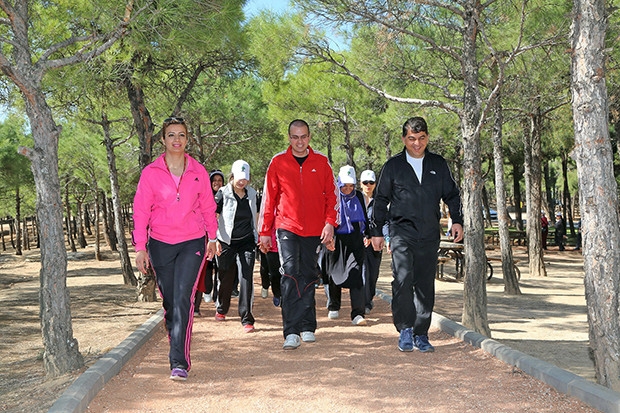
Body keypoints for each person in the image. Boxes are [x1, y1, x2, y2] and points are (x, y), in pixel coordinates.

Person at [132, 116, 218, 381]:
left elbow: (208, 206)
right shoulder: (150, 173)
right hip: (160, 244)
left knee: (183, 298)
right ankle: (175, 336)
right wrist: (140, 247)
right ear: (163, 139)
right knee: (170, 301)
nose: (176, 139)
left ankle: (178, 361)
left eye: (181, 134)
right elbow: (141, 211)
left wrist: (213, 237)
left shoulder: (198, 171)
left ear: (187, 139)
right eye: (171, 135)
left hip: (192, 241)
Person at [369, 116, 463, 353]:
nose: (417, 143)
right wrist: (376, 231)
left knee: (424, 284)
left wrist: (457, 220)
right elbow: (380, 199)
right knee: (402, 279)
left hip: (429, 233)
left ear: (427, 138)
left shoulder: (438, 164)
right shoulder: (393, 166)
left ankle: (421, 333)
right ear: (404, 139)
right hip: (401, 232)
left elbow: (452, 195)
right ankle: (405, 329)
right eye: (411, 138)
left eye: (421, 138)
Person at [258, 119, 339, 350]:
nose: (300, 141)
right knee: (291, 272)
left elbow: (332, 196)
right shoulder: (278, 162)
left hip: (314, 229)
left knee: (309, 274)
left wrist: (330, 224)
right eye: (295, 137)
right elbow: (269, 198)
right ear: (289, 138)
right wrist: (264, 231)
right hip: (287, 227)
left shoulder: (321, 162)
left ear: (309, 137)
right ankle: (291, 330)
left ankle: (307, 326)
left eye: (303, 136)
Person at [214, 160, 259, 333]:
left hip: (246, 241)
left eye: (245, 178)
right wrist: (214, 240)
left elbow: (256, 216)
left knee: (246, 277)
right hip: (226, 242)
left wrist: (259, 236)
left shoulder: (252, 194)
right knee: (226, 277)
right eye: (239, 178)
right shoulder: (222, 194)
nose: (242, 182)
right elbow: (213, 217)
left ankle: (247, 318)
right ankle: (222, 307)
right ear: (232, 176)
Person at [325, 165, 369, 326]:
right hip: (336, 238)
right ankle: (334, 305)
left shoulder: (358, 196)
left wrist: (367, 234)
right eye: (344, 186)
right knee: (334, 273)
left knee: (356, 273)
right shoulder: (332, 195)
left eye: (351, 186)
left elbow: (364, 217)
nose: (348, 189)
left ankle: (357, 313)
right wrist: (327, 237)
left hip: (355, 239)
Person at [194, 169, 225, 315]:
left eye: (220, 180)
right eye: (214, 180)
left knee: (220, 268)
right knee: (206, 267)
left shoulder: (227, 195)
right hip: (206, 237)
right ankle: (206, 291)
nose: (217, 183)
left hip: (223, 237)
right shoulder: (204, 196)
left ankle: (217, 297)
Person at [359, 169, 382, 315]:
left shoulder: (380, 201)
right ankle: (364, 303)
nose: (368, 185)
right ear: (360, 183)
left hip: (376, 242)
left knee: (373, 274)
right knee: (364, 272)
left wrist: (386, 238)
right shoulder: (356, 199)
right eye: (365, 182)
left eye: (371, 182)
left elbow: (385, 221)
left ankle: (369, 297)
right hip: (360, 242)